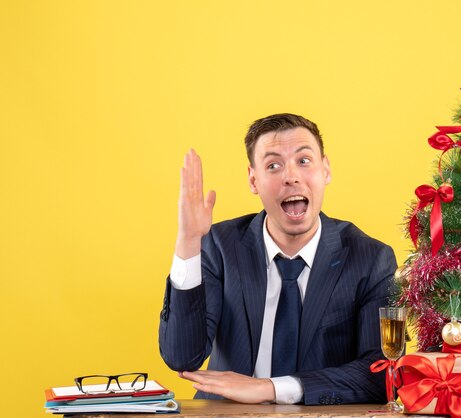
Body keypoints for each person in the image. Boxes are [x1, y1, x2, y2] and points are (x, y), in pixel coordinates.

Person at [159, 113, 397, 405]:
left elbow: (382, 374)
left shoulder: (371, 259)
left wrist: (270, 388)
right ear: (253, 180)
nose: (291, 176)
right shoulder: (219, 246)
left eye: (304, 161)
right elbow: (182, 355)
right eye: (273, 165)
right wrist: (188, 241)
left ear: (326, 170)